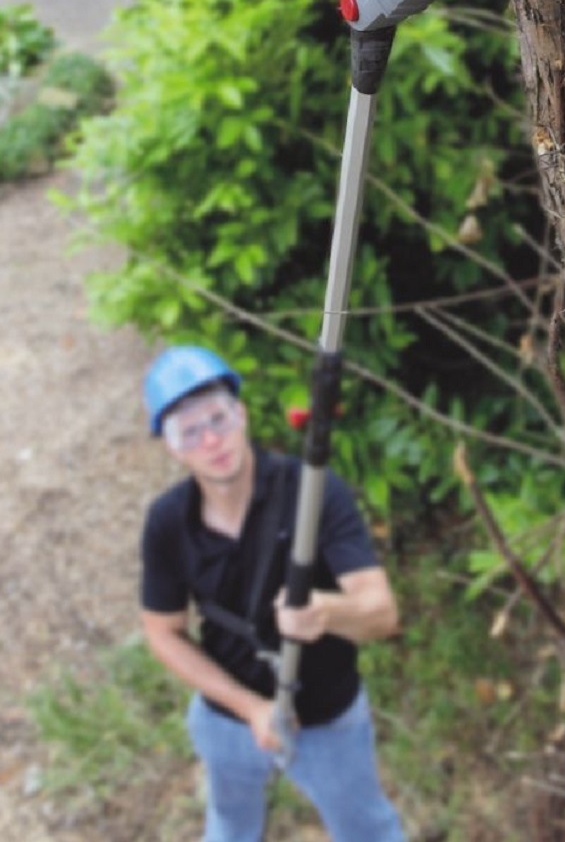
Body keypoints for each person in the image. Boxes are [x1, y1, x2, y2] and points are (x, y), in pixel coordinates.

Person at [139, 344, 406, 842]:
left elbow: (381, 614)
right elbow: (163, 632)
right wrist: (249, 708)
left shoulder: (314, 491)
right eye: (188, 431)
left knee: (368, 831)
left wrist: (325, 611)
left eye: (217, 417)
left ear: (240, 413)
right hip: (226, 720)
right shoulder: (168, 522)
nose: (211, 439)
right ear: (172, 446)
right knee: (229, 828)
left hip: (326, 718)